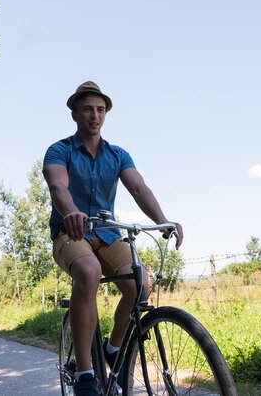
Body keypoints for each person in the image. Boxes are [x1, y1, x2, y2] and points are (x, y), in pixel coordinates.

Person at [42, 81, 183, 396]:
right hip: (71, 231)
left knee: (140, 283)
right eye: (88, 109)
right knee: (88, 271)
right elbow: (58, 187)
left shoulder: (117, 155)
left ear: (105, 114)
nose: (95, 115)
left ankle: (112, 346)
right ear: (75, 114)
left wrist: (161, 220)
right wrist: (70, 212)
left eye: (100, 110)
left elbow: (138, 188)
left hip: (107, 234)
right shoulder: (59, 150)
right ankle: (84, 373)